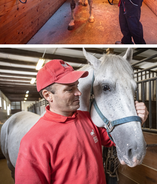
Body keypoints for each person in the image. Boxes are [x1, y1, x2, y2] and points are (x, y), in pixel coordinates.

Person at [15, 59, 148, 184]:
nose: (78, 93)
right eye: (69, 89)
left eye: (76, 86)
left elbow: (111, 138)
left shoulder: (86, 118)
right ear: (48, 95)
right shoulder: (33, 141)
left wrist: (137, 119)